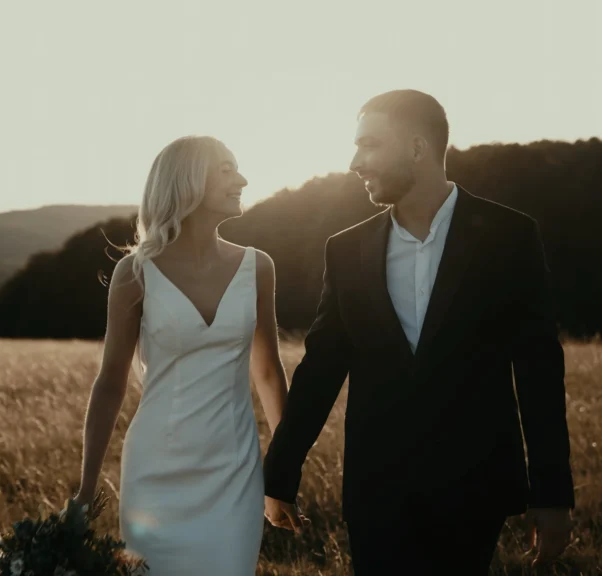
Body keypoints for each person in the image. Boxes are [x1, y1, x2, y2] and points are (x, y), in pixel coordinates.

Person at [261, 89, 576, 574]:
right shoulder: (347, 250)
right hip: (376, 489)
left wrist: (552, 493)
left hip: (475, 485)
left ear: (416, 148)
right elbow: (321, 367)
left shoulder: (509, 236)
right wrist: (279, 473)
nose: (354, 162)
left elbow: (538, 367)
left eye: (369, 145)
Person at [72, 135, 291, 575]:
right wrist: (84, 491)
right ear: (187, 182)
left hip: (234, 470)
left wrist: (285, 476)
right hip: (156, 470)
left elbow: (268, 372)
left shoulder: (258, 267)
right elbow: (111, 382)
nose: (242, 180)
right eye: (226, 170)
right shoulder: (134, 273)